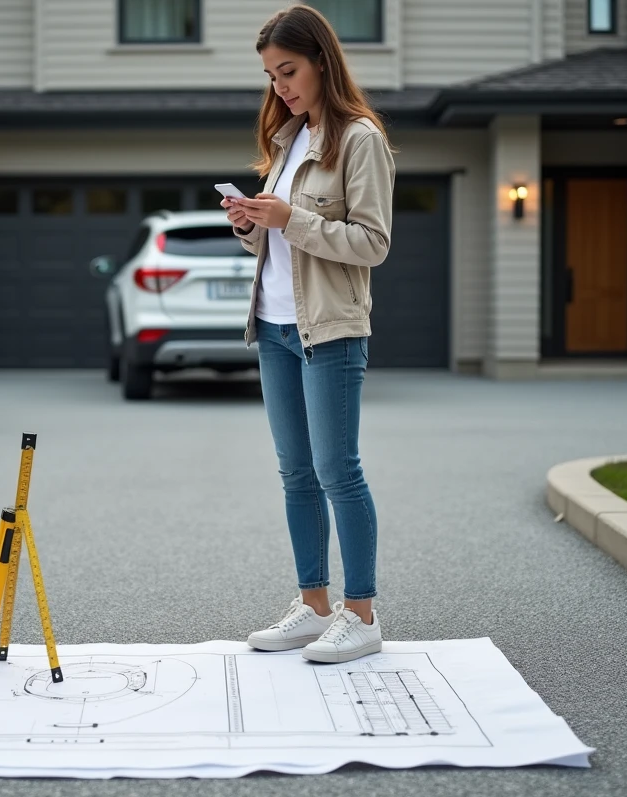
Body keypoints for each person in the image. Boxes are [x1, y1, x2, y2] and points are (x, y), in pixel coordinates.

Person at [222, 5, 396, 664]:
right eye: (270, 76)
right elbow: (280, 238)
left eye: (288, 71)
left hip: (329, 330)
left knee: (336, 471)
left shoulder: (359, 140)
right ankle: (314, 604)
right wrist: (250, 221)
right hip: (272, 327)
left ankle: (362, 614)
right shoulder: (290, 136)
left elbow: (372, 243)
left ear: (321, 60)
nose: (280, 86)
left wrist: (288, 218)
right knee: (296, 474)